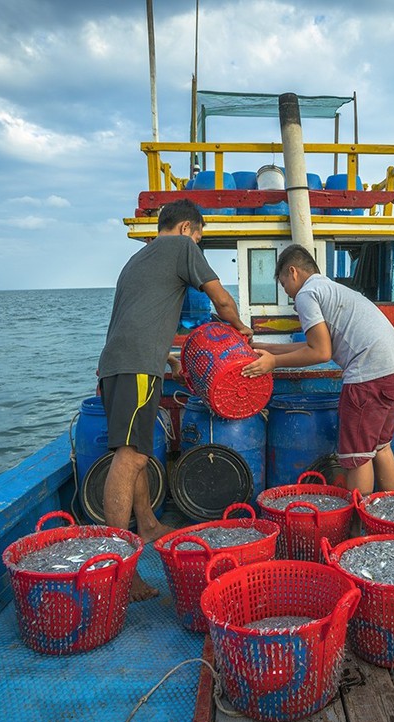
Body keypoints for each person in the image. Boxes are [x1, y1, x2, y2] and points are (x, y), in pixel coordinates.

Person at [98, 198, 251, 601]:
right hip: (135, 368)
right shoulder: (182, 248)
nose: (197, 245)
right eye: (198, 237)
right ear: (186, 229)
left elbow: (131, 317)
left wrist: (163, 353)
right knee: (129, 456)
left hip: (117, 365)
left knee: (139, 453)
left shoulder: (137, 259)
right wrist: (240, 328)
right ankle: (119, 569)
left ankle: (147, 525)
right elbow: (220, 299)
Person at [242, 244, 394, 497]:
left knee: (358, 458)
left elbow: (321, 353)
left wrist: (273, 364)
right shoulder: (330, 289)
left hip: (368, 376)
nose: (287, 292)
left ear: (293, 272)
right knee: (381, 446)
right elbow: (319, 343)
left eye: (284, 283)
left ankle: (356, 527)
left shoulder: (306, 294)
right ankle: (384, 520)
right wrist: (265, 347)